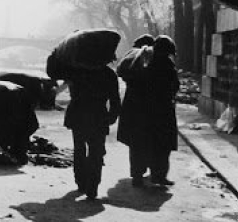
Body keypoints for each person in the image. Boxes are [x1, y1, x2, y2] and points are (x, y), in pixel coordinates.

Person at [117, 35, 180, 187]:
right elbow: (174, 85)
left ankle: (137, 176)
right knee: (161, 145)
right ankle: (158, 175)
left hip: (137, 110)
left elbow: (126, 77)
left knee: (138, 143)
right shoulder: (166, 63)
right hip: (161, 111)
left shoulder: (138, 60)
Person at [63, 63, 121, 200]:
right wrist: (112, 116)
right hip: (98, 115)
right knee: (96, 151)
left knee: (79, 149)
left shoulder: (75, 70)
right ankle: (92, 186)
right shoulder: (108, 73)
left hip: (77, 113)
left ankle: (81, 182)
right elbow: (115, 98)